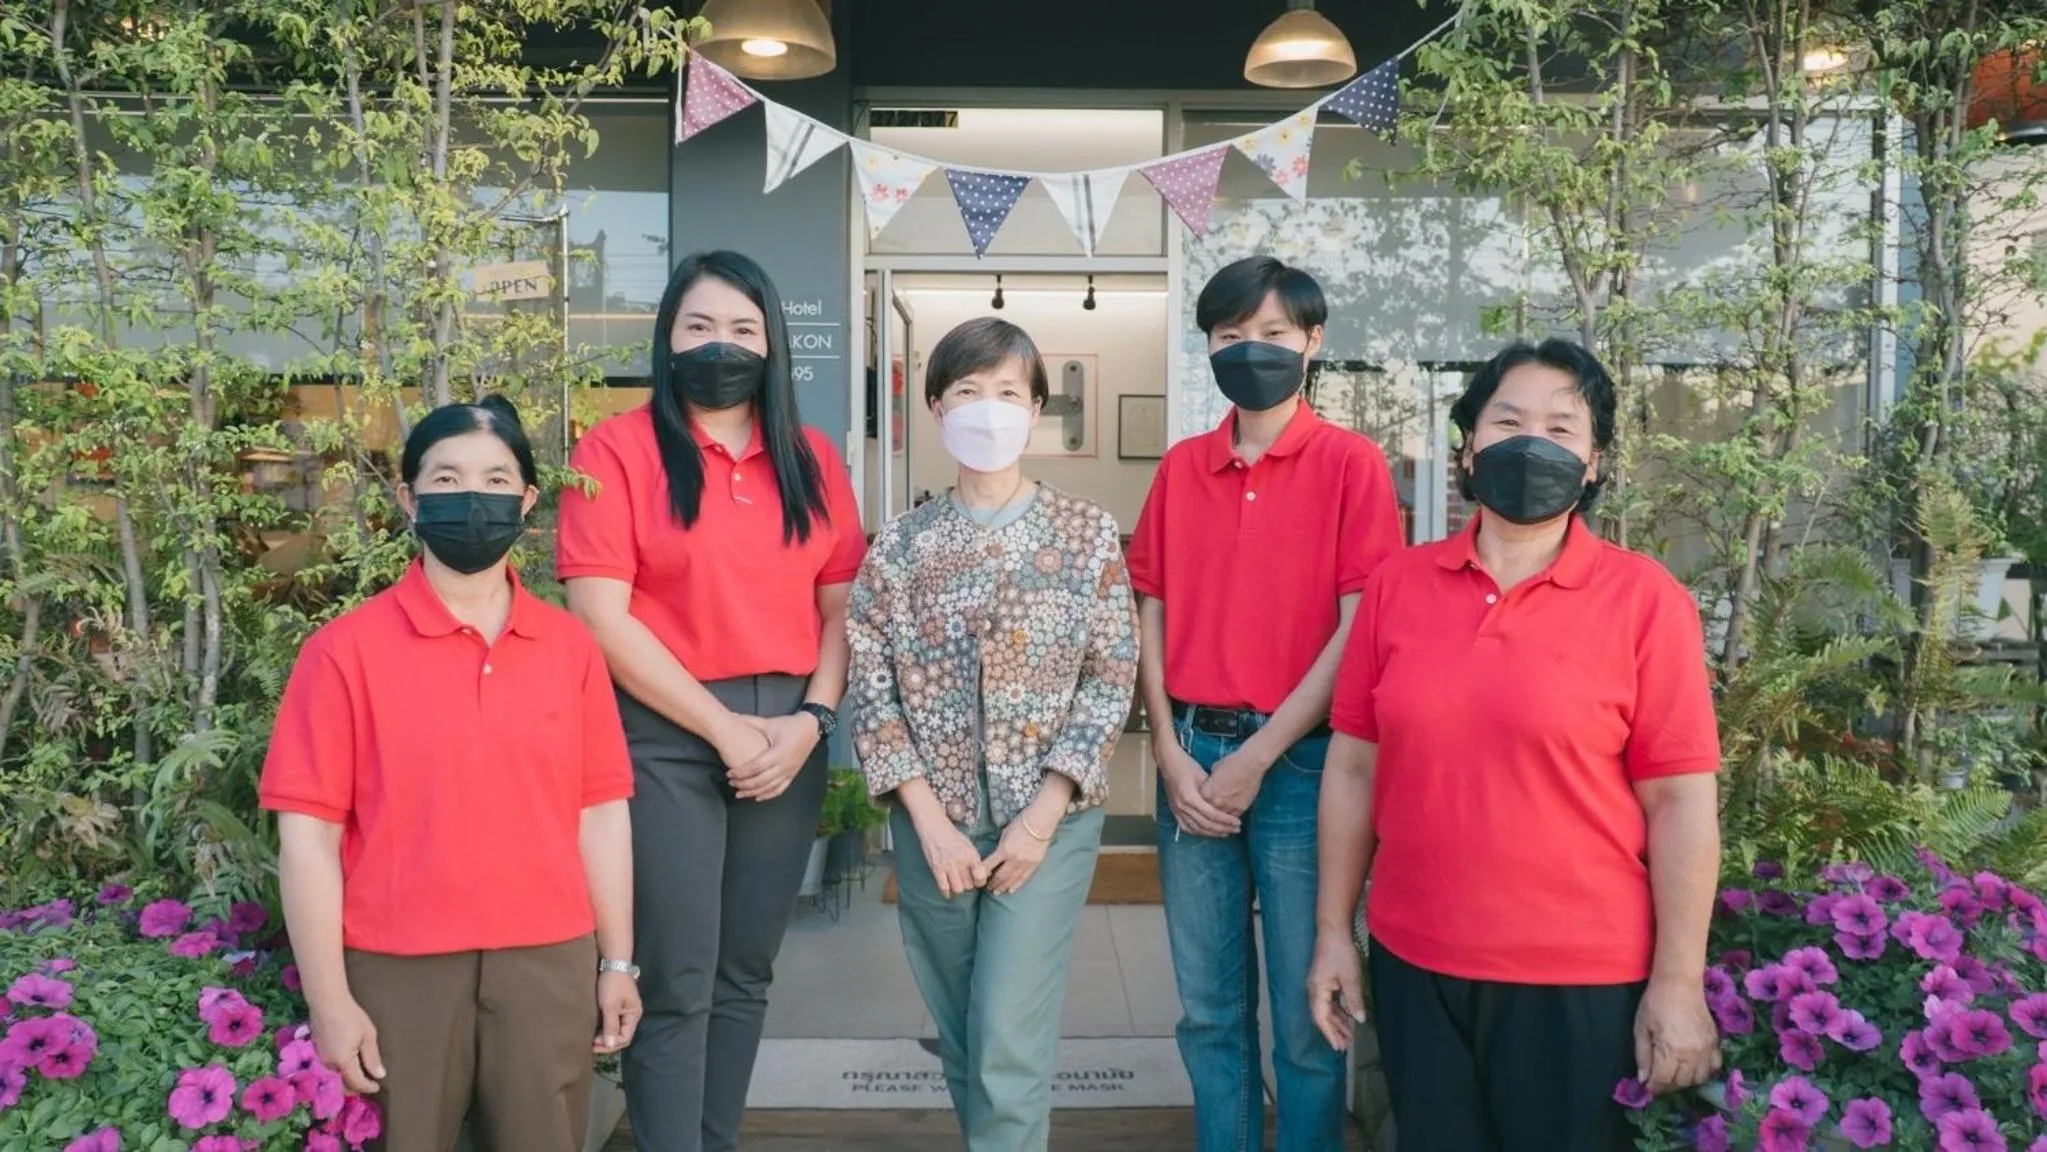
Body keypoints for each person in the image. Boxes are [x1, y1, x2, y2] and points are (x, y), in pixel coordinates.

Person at [1308, 338, 1723, 1151]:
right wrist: (1332, 931)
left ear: (1595, 462)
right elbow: (1353, 766)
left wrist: (1678, 981)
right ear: (1466, 446)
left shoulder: (1646, 602)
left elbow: (1680, 802)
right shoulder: (1397, 585)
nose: (1531, 442)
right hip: (1414, 960)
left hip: (1577, 977)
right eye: (1506, 420)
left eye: (1561, 428)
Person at [263, 396, 639, 1152]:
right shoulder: (343, 654)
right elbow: (307, 841)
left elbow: (599, 814)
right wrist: (329, 1000)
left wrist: (618, 961)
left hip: (547, 961)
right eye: (447, 477)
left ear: (528, 502)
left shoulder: (569, 650)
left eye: (496, 478)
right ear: (408, 498)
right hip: (398, 969)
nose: (473, 497)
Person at [556, 249, 866, 1152]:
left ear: (770, 343)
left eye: (740, 329)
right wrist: (725, 728)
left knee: (744, 971)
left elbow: (839, 606)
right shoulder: (614, 450)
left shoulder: (810, 458)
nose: (719, 346)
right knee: (678, 972)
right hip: (664, 732)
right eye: (698, 327)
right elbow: (602, 619)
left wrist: (811, 723)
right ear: (666, 340)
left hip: (788, 736)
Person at [1127, 256, 1405, 1152]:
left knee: (1305, 1012)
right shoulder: (1180, 468)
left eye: (1273, 335)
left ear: (1312, 342)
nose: (1252, 351)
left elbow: (1356, 629)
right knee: (1207, 1010)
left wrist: (1256, 755)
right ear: (1206, 347)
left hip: (1301, 767)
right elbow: (1150, 608)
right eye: (1229, 336)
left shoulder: (1350, 466)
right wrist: (1166, 749)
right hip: (1189, 761)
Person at [847, 317, 1138, 1152]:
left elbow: (1109, 675)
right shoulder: (898, 547)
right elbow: (871, 686)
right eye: (968, 391)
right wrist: (928, 821)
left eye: (1008, 392)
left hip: (1045, 821)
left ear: (1037, 408)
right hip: (930, 823)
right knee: (965, 1032)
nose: (987, 408)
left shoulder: (1085, 536)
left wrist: (1041, 816)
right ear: (935, 406)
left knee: (1008, 1032)